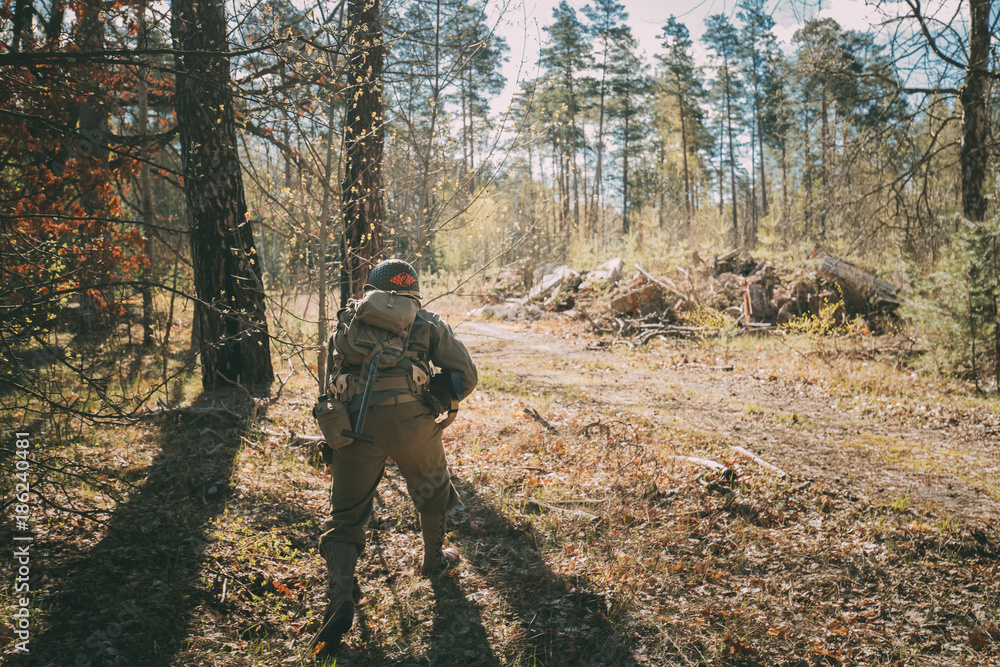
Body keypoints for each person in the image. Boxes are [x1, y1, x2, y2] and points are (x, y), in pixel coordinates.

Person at [312, 258, 478, 653]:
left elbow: (328, 381)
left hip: (355, 427)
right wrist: (435, 397)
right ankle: (433, 560)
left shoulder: (348, 320)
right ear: (414, 291)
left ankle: (340, 597)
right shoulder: (429, 321)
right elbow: (466, 375)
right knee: (433, 489)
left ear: (372, 288)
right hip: (413, 423)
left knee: (347, 514)